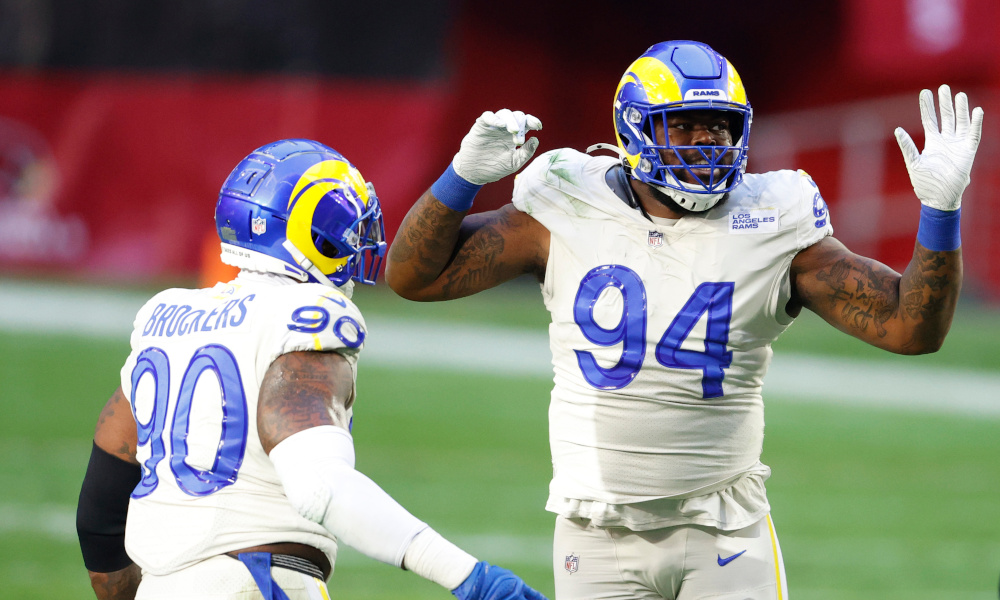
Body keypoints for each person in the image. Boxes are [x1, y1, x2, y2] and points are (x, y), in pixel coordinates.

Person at [385, 40, 984, 599]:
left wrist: (940, 212)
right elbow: (414, 277)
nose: (706, 142)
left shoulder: (774, 220)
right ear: (634, 129)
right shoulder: (565, 201)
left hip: (723, 528)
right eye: (685, 125)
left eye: (720, 126)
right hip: (595, 530)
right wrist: (460, 179)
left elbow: (912, 329)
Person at [75, 139, 549, 600]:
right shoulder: (308, 312)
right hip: (254, 581)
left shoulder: (167, 315)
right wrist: (473, 578)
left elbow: (99, 511)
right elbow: (320, 485)